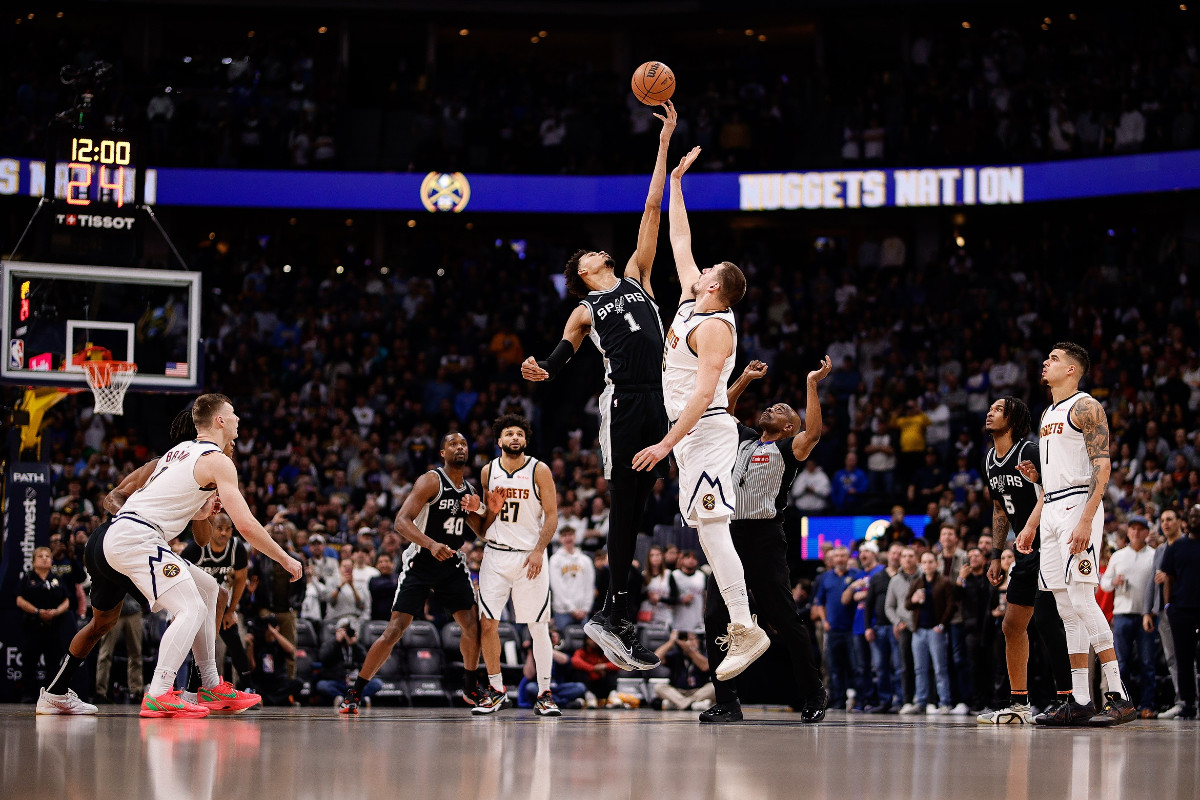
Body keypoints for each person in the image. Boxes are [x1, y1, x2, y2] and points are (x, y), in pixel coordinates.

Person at [521, 102, 677, 671]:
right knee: (625, 509)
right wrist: (543, 370)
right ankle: (614, 614)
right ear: (583, 270)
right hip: (626, 403)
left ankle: (617, 612)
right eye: (586, 253)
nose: (596, 249)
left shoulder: (638, 276)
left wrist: (663, 144)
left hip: (666, 398)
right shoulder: (586, 308)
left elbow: (653, 207)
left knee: (661, 507)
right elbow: (561, 356)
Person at [632, 144, 766, 682]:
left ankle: (744, 625)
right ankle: (742, 623)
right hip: (689, 438)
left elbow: (705, 394)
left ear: (715, 287)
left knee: (712, 529)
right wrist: (679, 182)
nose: (698, 268)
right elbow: (678, 238)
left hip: (706, 431)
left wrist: (666, 444)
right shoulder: (693, 300)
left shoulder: (715, 327)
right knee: (706, 531)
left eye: (707, 270)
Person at [694, 358, 832, 723]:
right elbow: (723, 409)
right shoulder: (743, 440)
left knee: (785, 620)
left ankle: (814, 692)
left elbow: (813, 433)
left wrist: (811, 383)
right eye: (770, 405)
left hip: (764, 538)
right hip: (729, 535)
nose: (770, 408)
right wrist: (744, 379)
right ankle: (727, 701)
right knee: (713, 617)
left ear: (789, 426)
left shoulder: (789, 449)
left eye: (780, 409)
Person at [1015, 342, 1136, 726]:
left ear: (1071, 370)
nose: (1045, 363)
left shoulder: (1086, 406)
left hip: (1077, 507)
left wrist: (1086, 518)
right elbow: (1056, 476)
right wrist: (1034, 517)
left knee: (1083, 598)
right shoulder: (1047, 412)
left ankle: (1118, 695)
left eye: (1053, 359)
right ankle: (1080, 699)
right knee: (1065, 606)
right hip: (1051, 506)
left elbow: (1103, 465)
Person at [338, 433, 486, 715]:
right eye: (453, 444)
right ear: (443, 452)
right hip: (422, 560)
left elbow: (480, 532)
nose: (460, 448)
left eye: (464, 444)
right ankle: (355, 691)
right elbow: (400, 522)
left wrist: (479, 508)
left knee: (472, 626)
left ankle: (470, 686)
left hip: (452, 563)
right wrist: (430, 544)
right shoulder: (432, 480)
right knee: (395, 630)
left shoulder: (468, 489)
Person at [978, 396, 1072, 724]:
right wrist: (994, 553)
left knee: (1047, 620)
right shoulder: (990, 459)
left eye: (998, 409)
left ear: (1014, 418)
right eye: (990, 408)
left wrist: (1031, 526)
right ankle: (1020, 704)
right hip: (1023, 550)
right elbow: (999, 507)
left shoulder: (1029, 451)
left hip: (1049, 544)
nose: (990, 412)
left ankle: (1069, 699)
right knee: (1012, 625)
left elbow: (1054, 491)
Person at [477, 414, 560, 717]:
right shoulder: (488, 471)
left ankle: (545, 692)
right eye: (509, 434)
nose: (515, 438)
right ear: (498, 441)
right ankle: (497, 690)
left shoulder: (540, 470)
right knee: (487, 622)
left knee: (538, 627)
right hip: (495, 555)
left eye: (519, 434)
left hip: (529, 556)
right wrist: (479, 512)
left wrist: (539, 550)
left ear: (526, 440)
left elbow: (551, 515)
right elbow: (487, 516)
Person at [180, 511, 253, 695]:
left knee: (235, 639)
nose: (223, 533)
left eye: (228, 529)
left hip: (221, 604)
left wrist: (231, 611)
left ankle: (247, 685)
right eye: (219, 528)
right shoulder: (195, 548)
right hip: (194, 603)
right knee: (197, 646)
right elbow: (180, 579)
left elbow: (240, 581)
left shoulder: (237, 548)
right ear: (211, 529)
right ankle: (191, 689)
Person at [1101, 515, 1158, 717]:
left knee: (1147, 662)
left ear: (1146, 533)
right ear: (1128, 532)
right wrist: (1114, 581)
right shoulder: (1118, 556)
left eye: (1140, 529)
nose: (1135, 532)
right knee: (1121, 663)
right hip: (1122, 614)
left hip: (1146, 614)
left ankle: (1147, 705)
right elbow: (1104, 583)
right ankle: (1122, 704)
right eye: (1132, 528)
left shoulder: (1154, 555)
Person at [1144, 507, 1186, 718]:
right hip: (1164, 612)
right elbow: (1152, 582)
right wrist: (1147, 611)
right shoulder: (1160, 550)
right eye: (1163, 520)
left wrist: (1170, 577)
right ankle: (1181, 700)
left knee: (1188, 659)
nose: (1166, 523)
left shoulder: (1188, 545)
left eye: (1170, 519)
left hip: (1185, 609)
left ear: (1180, 521)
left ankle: (1190, 701)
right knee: (1171, 658)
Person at [16, 547, 73, 702]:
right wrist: (37, 611)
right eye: (40, 556)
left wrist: (55, 612)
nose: (45, 558)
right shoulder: (28, 578)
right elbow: (19, 600)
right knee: (29, 662)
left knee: (54, 663)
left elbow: (67, 600)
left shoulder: (56, 579)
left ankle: (52, 696)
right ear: (34, 561)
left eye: (48, 556)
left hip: (53, 627)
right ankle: (27, 695)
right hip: (33, 626)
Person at [1160, 503, 1200, 719]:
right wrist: (1168, 606)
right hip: (1182, 609)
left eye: (1198, 516)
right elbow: (1168, 577)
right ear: (1187, 520)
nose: (1195, 519)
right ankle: (1188, 704)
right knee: (1183, 660)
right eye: (1192, 515)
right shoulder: (1176, 546)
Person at [906, 551, 957, 714]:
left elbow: (951, 605)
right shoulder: (917, 582)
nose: (927, 565)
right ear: (921, 564)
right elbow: (907, 604)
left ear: (936, 564)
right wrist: (914, 600)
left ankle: (944, 702)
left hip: (935, 630)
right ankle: (920, 702)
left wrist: (942, 625)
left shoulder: (944, 581)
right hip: (919, 630)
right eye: (925, 562)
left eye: (930, 562)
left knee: (939, 668)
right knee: (919, 668)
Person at [315, 618, 380, 707]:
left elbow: (366, 660)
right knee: (321, 685)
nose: (345, 633)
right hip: (338, 681)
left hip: (355, 683)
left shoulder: (356, 645)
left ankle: (353, 699)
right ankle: (348, 699)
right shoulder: (330, 644)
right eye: (343, 630)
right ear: (337, 631)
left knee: (377, 683)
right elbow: (323, 658)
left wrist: (355, 644)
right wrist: (336, 641)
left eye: (348, 630)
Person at [887, 547, 920, 713]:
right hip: (905, 626)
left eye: (911, 556)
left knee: (924, 666)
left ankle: (926, 700)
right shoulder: (895, 580)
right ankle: (907, 700)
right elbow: (889, 607)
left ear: (916, 558)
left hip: (922, 625)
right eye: (904, 556)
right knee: (906, 665)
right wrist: (897, 622)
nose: (907, 559)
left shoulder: (923, 576)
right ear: (900, 560)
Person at [653, 630, 715, 711]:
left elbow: (705, 667)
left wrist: (690, 651)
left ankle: (679, 704)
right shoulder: (676, 654)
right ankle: (692, 705)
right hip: (678, 692)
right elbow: (655, 658)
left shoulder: (704, 652)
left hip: (698, 691)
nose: (688, 642)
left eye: (692, 639)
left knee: (714, 687)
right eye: (685, 639)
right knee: (659, 687)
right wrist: (671, 642)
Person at [548, 527, 595, 633]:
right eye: (564, 536)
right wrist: (571, 609)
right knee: (563, 645)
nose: (568, 538)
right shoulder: (555, 560)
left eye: (570, 535)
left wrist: (585, 608)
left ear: (575, 537)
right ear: (560, 539)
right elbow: (557, 587)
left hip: (583, 612)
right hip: (562, 611)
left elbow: (589, 586)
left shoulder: (585, 560)